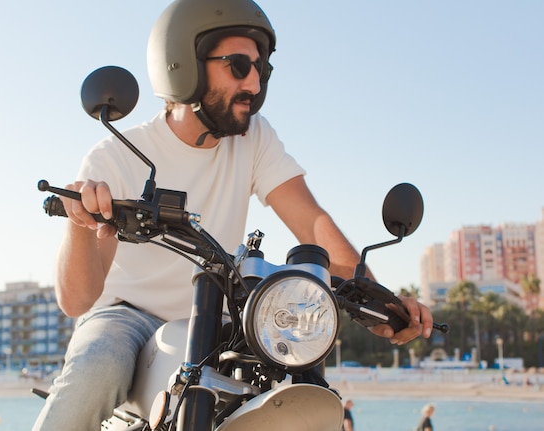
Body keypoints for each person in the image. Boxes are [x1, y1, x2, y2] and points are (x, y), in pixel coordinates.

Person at [32, 0, 434, 429]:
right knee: (98, 365)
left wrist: (376, 300)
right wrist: (81, 226)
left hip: (217, 316)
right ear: (183, 65)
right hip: (128, 317)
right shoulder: (117, 155)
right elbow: (76, 301)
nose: (254, 83)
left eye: (262, 70)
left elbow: (312, 221)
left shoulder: (253, 138)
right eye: (239, 66)